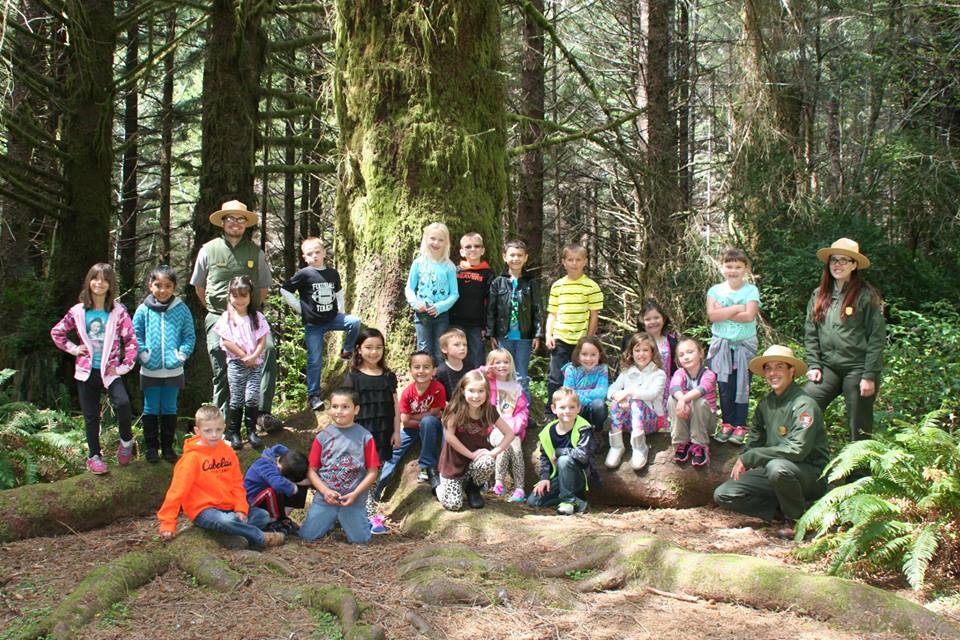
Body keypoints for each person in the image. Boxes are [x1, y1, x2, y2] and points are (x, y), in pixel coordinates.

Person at [713, 345, 829, 539]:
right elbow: (756, 440)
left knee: (778, 468)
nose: (773, 373)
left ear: (791, 371)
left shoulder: (803, 404)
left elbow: (798, 449)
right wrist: (745, 458)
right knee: (724, 494)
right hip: (775, 471)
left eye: (779, 367)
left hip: (809, 474)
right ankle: (785, 509)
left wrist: (753, 457)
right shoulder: (766, 403)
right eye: (768, 368)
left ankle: (796, 520)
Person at [190, 200, 281, 433]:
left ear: (246, 224)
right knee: (221, 360)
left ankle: (261, 414)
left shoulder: (254, 252)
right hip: (218, 316)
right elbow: (199, 287)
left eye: (240, 219)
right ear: (222, 222)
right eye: (230, 218)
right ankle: (222, 425)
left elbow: (263, 286)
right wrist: (220, 311)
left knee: (268, 349)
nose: (235, 223)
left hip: (251, 317)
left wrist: (250, 311)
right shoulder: (208, 250)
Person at [51, 263, 138, 474]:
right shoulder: (78, 311)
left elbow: (131, 340)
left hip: (110, 371)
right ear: (89, 281)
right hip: (86, 371)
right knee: (91, 416)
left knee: (124, 404)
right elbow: (57, 332)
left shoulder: (118, 311)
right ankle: (94, 456)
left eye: (104, 280)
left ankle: (126, 442)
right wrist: (73, 348)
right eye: (95, 278)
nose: (99, 283)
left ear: (110, 285)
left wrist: (124, 367)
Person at [157, 405, 284, 548]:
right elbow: (176, 491)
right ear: (197, 431)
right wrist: (168, 523)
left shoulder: (228, 452)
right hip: (204, 510)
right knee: (227, 521)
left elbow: (237, 484)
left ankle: (230, 537)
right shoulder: (191, 459)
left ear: (224, 427)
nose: (214, 435)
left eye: (218, 430)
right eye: (208, 431)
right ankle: (260, 538)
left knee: (262, 516)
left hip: (228, 507)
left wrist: (241, 508)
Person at [804, 238, 885, 441]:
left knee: (859, 423)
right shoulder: (819, 294)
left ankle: (859, 471)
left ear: (854, 265)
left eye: (844, 260)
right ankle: (804, 459)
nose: (837, 265)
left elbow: (876, 338)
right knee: (804, 403)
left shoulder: (866, 295)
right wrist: (813, 364)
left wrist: (869, 375)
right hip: (828, 367)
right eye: (834, 260)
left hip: (858, 367)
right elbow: (811, 331)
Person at [280, 237, 361, 412]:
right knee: (315, 360)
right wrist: (301, 308)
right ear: (304, 257)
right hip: (313, 324)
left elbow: (338, 292)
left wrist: (341, 310)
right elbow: (285, 290)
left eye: (318, 252)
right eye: (310, 254)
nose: (315, 256)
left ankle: (347, 350)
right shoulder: (304, 274)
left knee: (354, 322)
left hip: (333, 318)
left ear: (324, 252)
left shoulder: (332, 273)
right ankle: (314, 395)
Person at [299, 388, 380, 544]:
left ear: (356, 409)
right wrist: (325, 491)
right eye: (335, 406)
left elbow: (372, 472)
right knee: (307, 537)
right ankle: (330, 521)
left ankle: (359, 521)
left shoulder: (365, 437)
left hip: (352, 500)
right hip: (325, 498)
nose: (339, 411)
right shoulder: (322, 437)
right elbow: (311, 470)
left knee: (360, 540)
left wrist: (355, 494)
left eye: (345, 407)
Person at [133, 265, 196, 463]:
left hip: (173, 369)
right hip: (150, 369)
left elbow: (189, 335)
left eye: (168, 286)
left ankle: (168, 449)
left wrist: (181, 355)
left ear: (174, 287)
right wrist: (143, 355)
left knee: (169, 408)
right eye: (158, 285)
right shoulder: (143, 310)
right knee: (151, 408)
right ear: (150, 286)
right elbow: (135, 334)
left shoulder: (181, 309)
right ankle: (151, 449)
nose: (163, 290)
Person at [342, 327, 400, 532]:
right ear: (358, 349)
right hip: (360, 433)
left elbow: (395, 406)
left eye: (378, 348)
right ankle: (361, 513)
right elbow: (345, 407)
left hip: (384, 431)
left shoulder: (388, 376)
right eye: (368, 347)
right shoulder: (353, 377)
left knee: (376, 471)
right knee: (361, 472)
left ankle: (368, 511)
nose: (374, 352)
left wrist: (396, 431)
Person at [373, 351, 446, 505]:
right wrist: (423, 419)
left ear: (434, 371)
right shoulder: (407, 393)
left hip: (432, 426)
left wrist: (419, 418)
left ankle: (428, 466)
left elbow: (435, 413)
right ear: (411, 370)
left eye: (426, 367)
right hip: (411, 429)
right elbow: (405, 422)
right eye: (417, 367)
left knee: (428, 422)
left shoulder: (438, 388)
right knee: (393, 452)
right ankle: (378, 489)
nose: (421, 371)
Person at [436, 371, 515, 511]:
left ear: (486, 392)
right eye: (471, 391)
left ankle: (473, 489)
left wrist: (494, 452)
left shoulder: (489, 410)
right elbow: (450, 437)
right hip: (453, 466)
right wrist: (471, 454)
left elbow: (509, 433)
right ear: (462, 391)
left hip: (473, 466)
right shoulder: (455, 410)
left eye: (480, 391)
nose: (476, 396)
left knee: (487, 461)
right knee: (454, 504)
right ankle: (438, 487)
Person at [706, 248, 760, 445]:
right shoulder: (715, 291)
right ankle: (727, 423)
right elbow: (712, 316)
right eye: (729, 266)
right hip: (722, 346)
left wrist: (726, 311)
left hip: (745, 346)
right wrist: (738, 307)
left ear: (745, 269)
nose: (733, 270)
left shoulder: (751, 290)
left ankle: (740, 425)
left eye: (738, 267)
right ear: (722, 268)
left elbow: (749, 316)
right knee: (724, 386)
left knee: (742, 385)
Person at [213, 276, 270, 450]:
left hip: (256, 363)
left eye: (243, 296)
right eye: (235, 296)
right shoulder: (226, 317)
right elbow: (226, 341)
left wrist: (254, 356)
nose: (239, 300)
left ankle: (252, 431)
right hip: (237, 363)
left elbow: (263, 340)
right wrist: (244, 356)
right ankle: (235, 432)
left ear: (250, 297)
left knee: (252, 396)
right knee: (237, 398)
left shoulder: (257, 317)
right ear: (229, 296)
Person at [545, 243, 604, 404]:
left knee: (579, 377)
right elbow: (552, 313)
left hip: (580, 340)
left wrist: (588, 339)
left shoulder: (592, 286)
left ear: (585, 261)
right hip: (560, 337)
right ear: (563, 262)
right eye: (570, 260)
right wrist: (548, 335)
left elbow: (594, 315)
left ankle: (577, 409)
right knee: (556, 376)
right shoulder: (558, 286)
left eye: (578, 259)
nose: (574, 263)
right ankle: (552, 410)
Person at [486, 239, 542, 399]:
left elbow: (537, 309)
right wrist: (491, 334)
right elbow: (491, 310)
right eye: (512, 255)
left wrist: (537, 334)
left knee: (521, 374)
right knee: (504, 373)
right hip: (503, 336)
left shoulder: (530, 283)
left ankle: (524, 410)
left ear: (525, 258)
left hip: (524, 336)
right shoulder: (498, 283)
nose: (515, 258)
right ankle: (505, 410)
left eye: (519, 255)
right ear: (504, 257)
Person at [528, 388, 597, 515]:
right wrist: (545, 478)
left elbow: (583, 455)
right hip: (559, 478)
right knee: (534, 500)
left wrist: (559, 452)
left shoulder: (584, 428)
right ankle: (578, 502)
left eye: (572, 407)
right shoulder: (548, 431)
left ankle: (568, 501)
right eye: (562, 407)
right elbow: (545, 457)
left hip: (578, 476)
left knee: (564, 459)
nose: (567, 411)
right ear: (554, 409)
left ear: (578, 409)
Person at [606, 332, 667, 470]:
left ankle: (640, 447)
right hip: (629, 423)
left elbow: (651, 394)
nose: (641, 354)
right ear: (631, 353)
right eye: (637, 350)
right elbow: (611, 389)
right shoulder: (627, 372)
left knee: (636, 401)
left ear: (652, 352)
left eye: (645, 350)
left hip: (651, 421)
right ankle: (616, 446)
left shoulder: (658, 374)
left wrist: (628, 393)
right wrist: (618, 398)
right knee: (616, 403)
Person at [404, 222, 459, 362]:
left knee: (441, 348)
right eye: (433, 238)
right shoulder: (418, 263)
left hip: (441, 314)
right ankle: (424, 378)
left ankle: (439, 380)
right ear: (426, 239)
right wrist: (415, 303)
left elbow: (454, 294)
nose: (436, 243)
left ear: (446, 243)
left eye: (441, 240)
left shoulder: (449, 267)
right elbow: (409, 288)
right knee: (423, 347)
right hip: (422, 313)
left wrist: (441, 307)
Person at [621, 301, 678, 431]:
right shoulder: (633, 340)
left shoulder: (671, 340)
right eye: (648, 319)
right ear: (642, 322)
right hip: (640, 386)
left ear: (663, 319)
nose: (653, 322)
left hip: (664, 388)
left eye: (656, 318)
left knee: (663, 423)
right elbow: (627, 365)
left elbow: (675, 368)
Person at [483, 349, 530, 503]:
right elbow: (473, 375)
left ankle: (519, 488)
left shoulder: (516, 387)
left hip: (512, 430)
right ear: (491, 365)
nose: (502, 365)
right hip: (494, 429)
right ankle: (498, 482)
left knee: (514, 444)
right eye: (498, 362)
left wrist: (512, 427)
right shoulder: (487, 383)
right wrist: (486, 369)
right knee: (505, 442)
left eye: (506, 362)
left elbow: (523, 412)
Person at [669, 337, 717, 467]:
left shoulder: (709, 374)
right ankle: (681, 442)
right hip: (686, 419)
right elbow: (674, 387)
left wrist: (683, 399)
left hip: (706, 422)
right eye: (681, 355)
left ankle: (700, 445)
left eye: (690, 352)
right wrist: (680, 400)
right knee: (672, 399)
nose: (686, 357)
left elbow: (701, 390)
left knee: (699, 402)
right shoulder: (680, 373)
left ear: (701, 353)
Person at [449, 231, 493, 370]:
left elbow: (490, 302)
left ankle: (477, 387)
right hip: (455, 323)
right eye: (468, 247)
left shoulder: (488, 273)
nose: (473, 249)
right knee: (457, 356)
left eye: (477, 246)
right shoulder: (455, 272)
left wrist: (486, 326)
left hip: (477, 326)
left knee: (476, 358)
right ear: (462, 251)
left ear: (483, 250)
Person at [243, 444, 309, 535]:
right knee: (273, 490)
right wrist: (294, 488)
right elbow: (278, 484)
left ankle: (283, 516)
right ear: (281, 469)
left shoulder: (274, 455)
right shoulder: (267, 467)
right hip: (252, 499)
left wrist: (291, 455)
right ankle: (274, 519)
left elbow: (277, 447)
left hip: (265, 493)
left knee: (295, 484)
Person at [561, 336, 609, 432]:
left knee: (599, 405)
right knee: (572, 404)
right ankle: (576, 431)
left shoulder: (602, 369)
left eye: (593, 355)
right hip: (576, 409)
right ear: (578, 355)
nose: (588, 358)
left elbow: (602, 392)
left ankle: (596, 432)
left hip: (593, 409)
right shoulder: (570, 369)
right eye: (584, 354)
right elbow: (569, 393)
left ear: (599, 355)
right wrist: (586, 401)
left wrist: (578, 393)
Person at [435, 327, 469, 400]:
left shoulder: (470, 367)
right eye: (457, 345)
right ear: (444, 349)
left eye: (465, 344)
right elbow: (439, 398)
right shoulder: (440, 372)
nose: (462, 348)